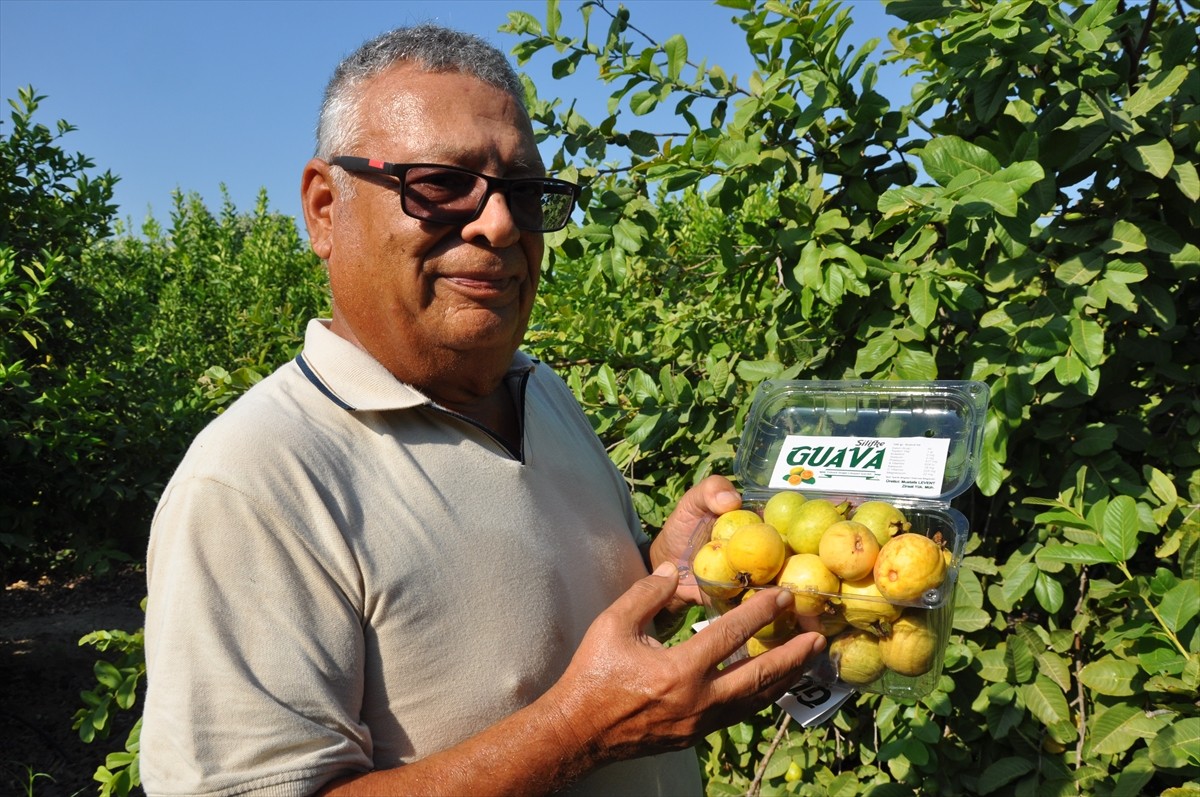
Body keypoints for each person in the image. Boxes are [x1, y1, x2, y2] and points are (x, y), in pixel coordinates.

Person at [141, 23, 826, 796]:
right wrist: (577, 733)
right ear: (325, 209)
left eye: (525, 192)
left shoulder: (542, 392)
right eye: (438, 183)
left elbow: (562, 645)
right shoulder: (257, 481)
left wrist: (662, 573)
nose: (499, 224)